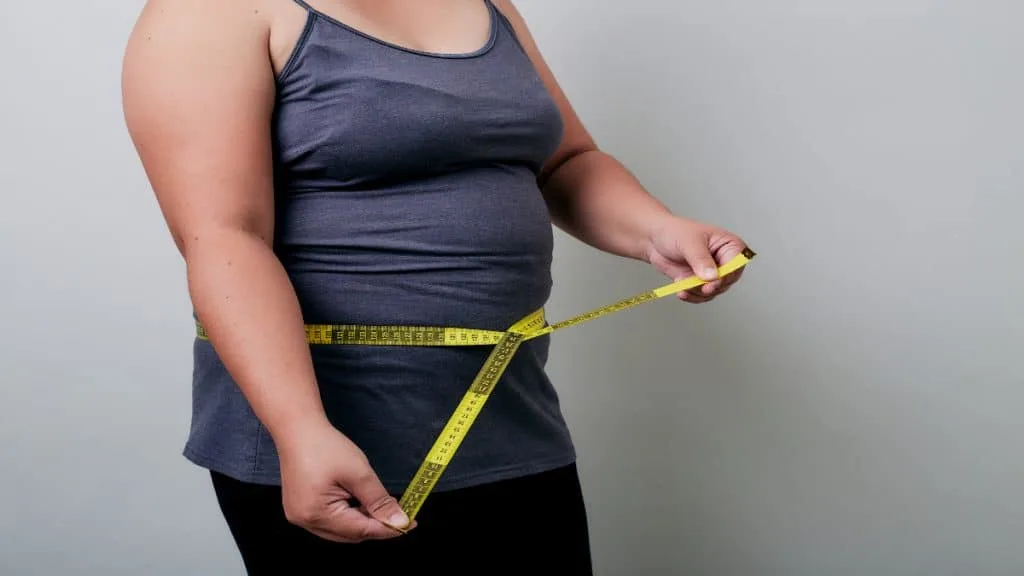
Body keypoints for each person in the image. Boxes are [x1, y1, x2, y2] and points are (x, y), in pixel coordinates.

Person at [121, 0, 750, 573]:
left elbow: (566, 161)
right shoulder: (207, 12)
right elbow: (224, 237)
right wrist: (299, 430)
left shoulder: (487, 5)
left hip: (511, 417)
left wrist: (657, 230)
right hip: (333, 440)